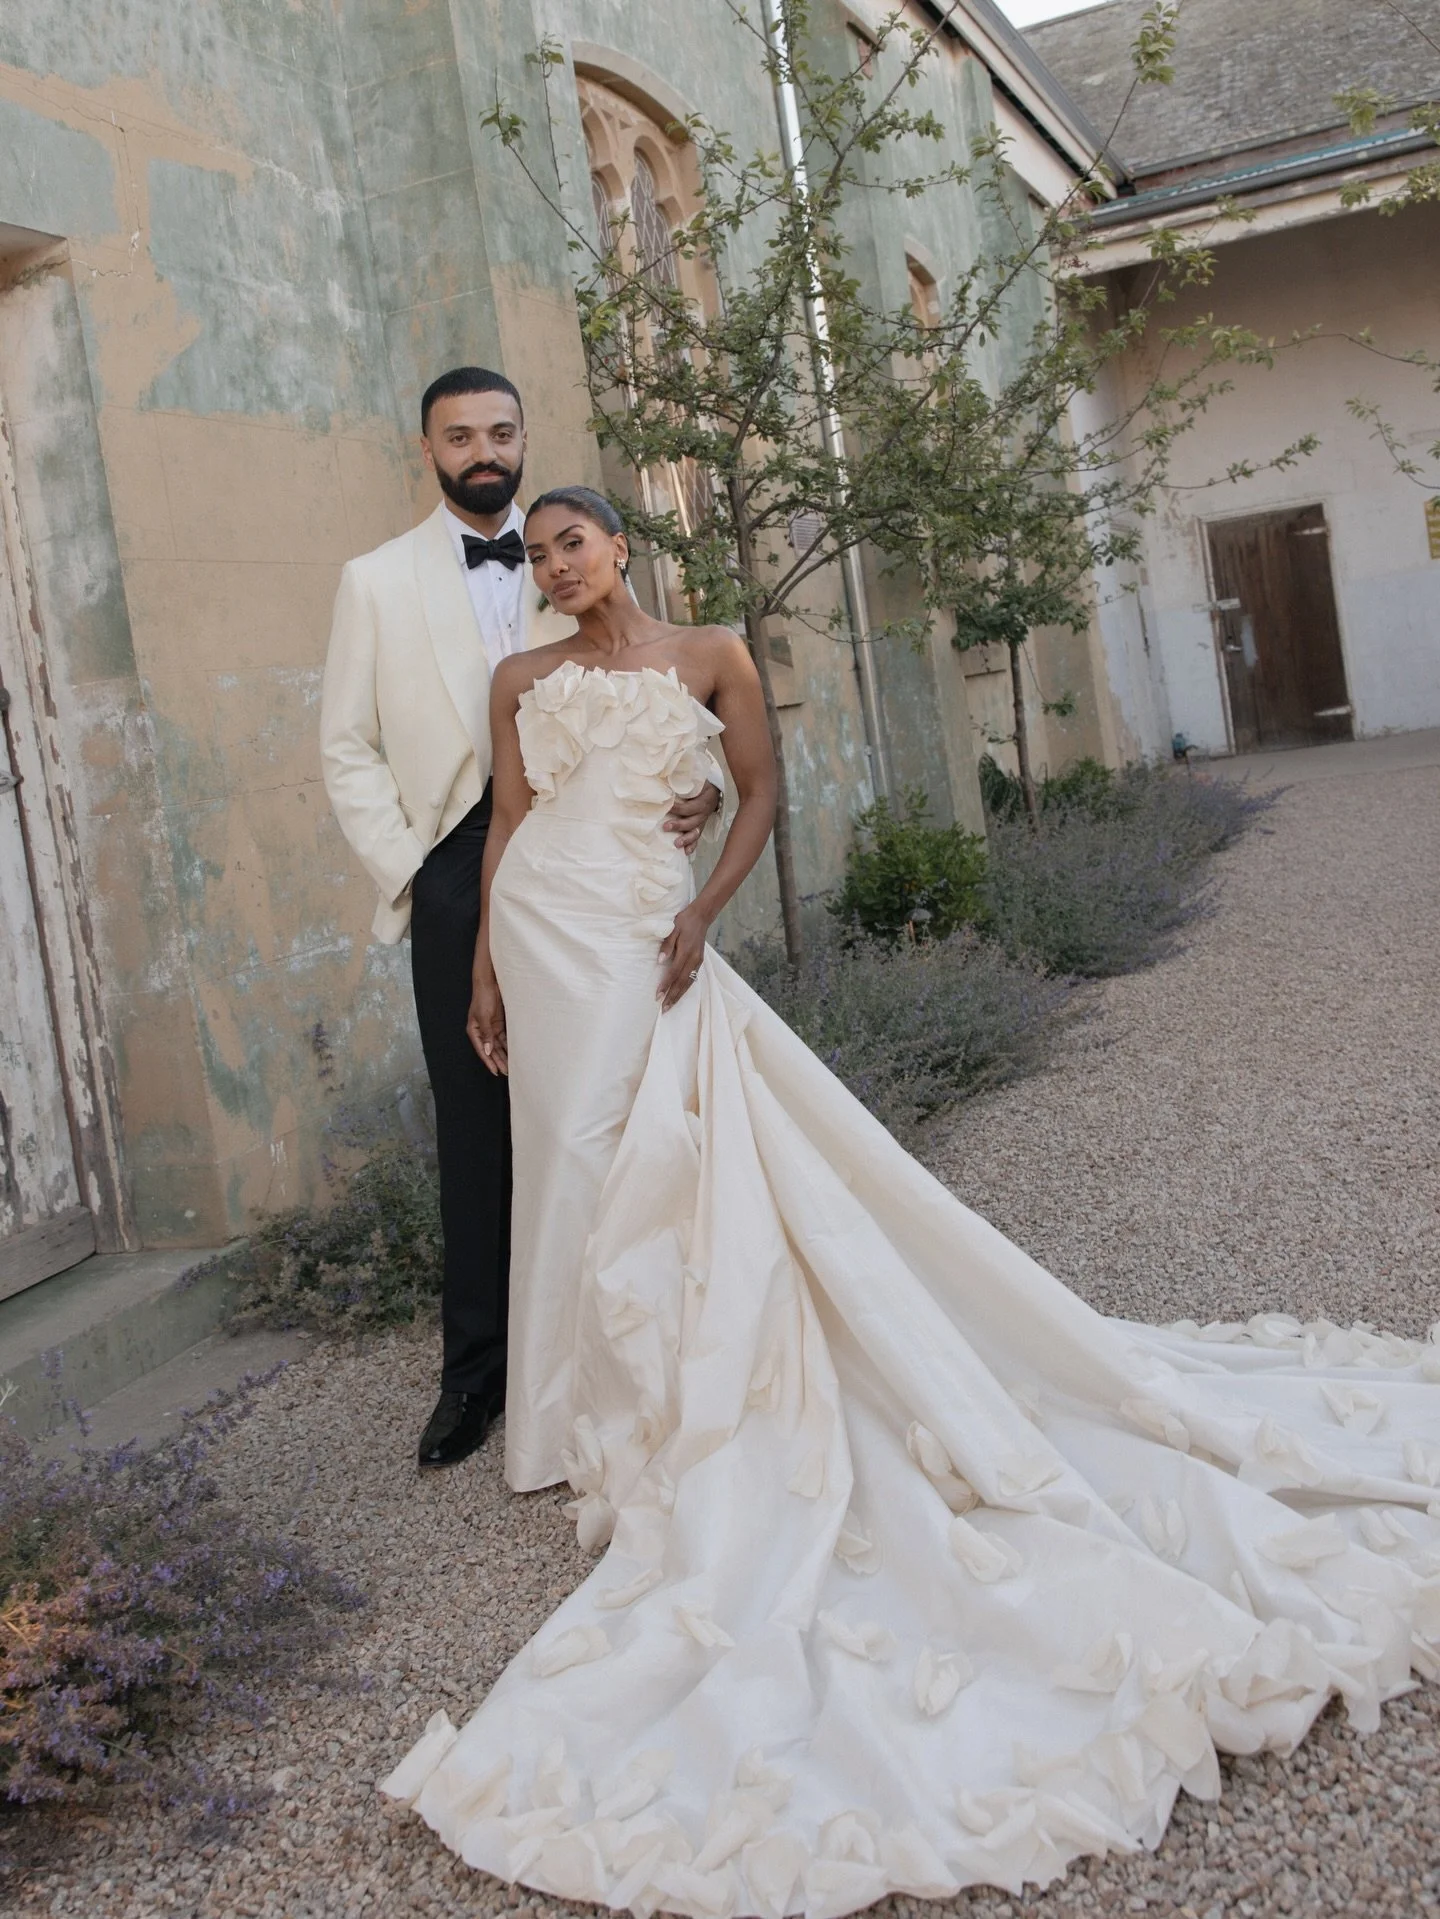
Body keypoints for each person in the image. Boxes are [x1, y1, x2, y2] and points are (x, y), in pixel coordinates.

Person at [379, 488, 1440, 1915]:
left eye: (580, 538)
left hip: (645, 914)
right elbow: (507, 817)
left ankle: (696, 1368)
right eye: (546, 548)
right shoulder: (520, 678)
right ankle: (580, 1403)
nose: (561, 562)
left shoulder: (712, 654)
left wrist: (707, 909)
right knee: (572, 1149)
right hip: (544, 921)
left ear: (622, 546)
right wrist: (484, 971)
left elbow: (757, 794)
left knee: (661, 1136)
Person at [320, 377, 719, 1470]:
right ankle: (480, 1375)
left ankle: (630, 1338)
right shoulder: (374, 581)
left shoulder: (570, 554)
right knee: (477, 1121)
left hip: (592, 871)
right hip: (462, 868)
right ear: (429, 448)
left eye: (500, 432)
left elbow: (668, 698)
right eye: (460, 436)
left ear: (523, 439)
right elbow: (345, 744)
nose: (482, 450)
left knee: (610, 1103)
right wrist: (416, 872)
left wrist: (703, 790)